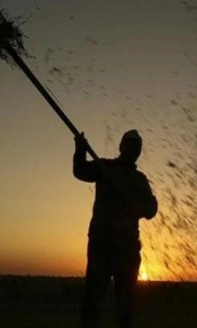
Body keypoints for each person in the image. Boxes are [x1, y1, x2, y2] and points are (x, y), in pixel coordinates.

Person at [73, 129, 158, 328]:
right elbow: (80, 171)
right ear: (121, 146)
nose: (132, 149)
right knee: (92, 301)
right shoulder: (105, 167)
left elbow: (152, 207)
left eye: (136, 146)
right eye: (129, 144)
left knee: (126, 305)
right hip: (101, 245)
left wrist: (141, 208)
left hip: (127, 249)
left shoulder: (140, 180)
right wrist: (80, 150)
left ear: (138, 152)